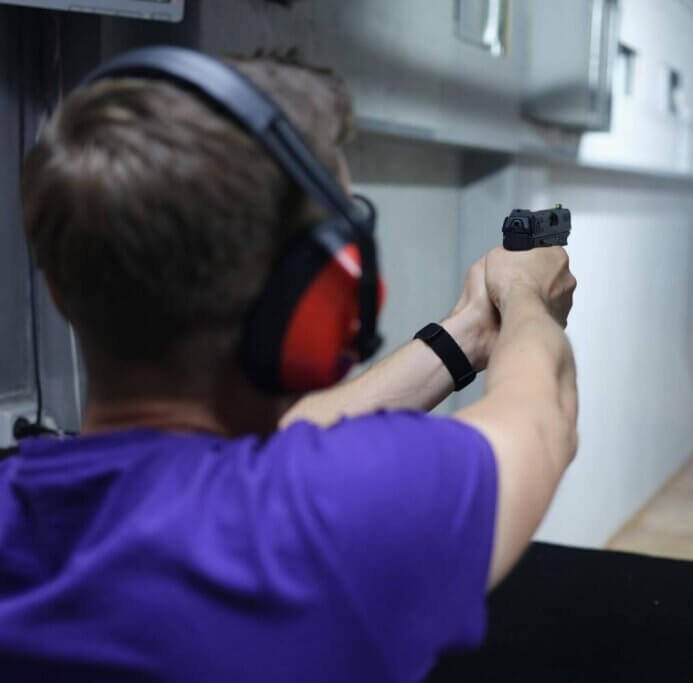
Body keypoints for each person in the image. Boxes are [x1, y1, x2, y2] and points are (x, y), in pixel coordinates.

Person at [0, 50, 578, 681]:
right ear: (319, 292)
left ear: (59, 287)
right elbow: (543, 418)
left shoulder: (17, 517)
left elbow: (281, 438)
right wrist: (527, 296)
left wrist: (464, 336)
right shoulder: (339, 516)